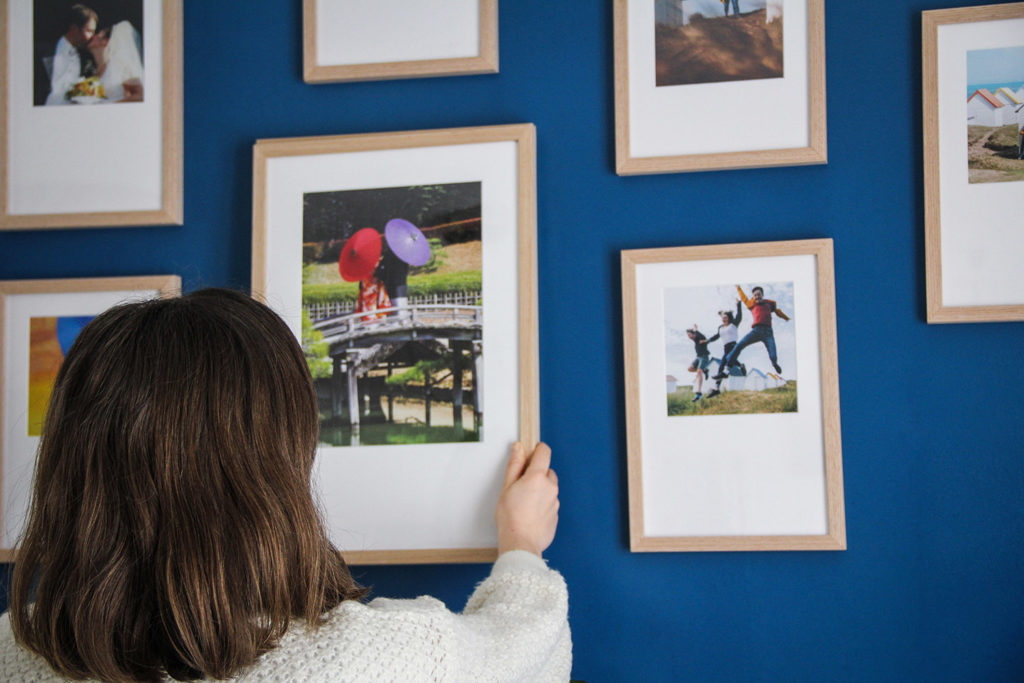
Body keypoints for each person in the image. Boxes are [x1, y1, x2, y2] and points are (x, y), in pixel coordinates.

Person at [0, 289, 570, 681]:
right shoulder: (380, 659)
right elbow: (521, 650)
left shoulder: (10, 655)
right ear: (280, 454)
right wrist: (521, 546)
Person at [713, 284, 790, 380]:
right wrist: (738, 288)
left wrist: (785, 318)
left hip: (768, 333)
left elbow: (777, 311)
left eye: (759, 294)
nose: (757, 296)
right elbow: (744, 298)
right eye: (755, 295)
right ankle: (726, 370)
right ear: (753, 297)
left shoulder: (769, 304)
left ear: (762, 295)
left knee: (773, 355)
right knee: (739, 345)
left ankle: (774, 363)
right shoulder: (751, 304)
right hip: (756, 331)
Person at [45, 4, 97, 105]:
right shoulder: (43, 52)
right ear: (74, 29)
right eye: (89, 31)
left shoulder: (87, 58)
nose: (92, 37)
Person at [85, 20, 145, 102]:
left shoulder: (120, 64)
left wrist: (111, 105)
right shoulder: (91, 69)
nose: (93, 36)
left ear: (105, 42)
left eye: (97, 35)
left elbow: (140, 95)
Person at [704, 300, 745, 398]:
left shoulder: (733, 324)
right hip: (726, 348)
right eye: (722, 318)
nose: (724, 319)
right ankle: (741, 366)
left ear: (729, 317)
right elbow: (716, 336)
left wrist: (739, 305)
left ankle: (716, 388)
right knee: (728, 361)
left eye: (725, 317)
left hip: (734, 346)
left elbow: (739, 316)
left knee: (723, 364)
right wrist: (708, 340)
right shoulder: (720, 328)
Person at [685, 325, 711, 402]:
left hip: (704, 357)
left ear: (694, 334)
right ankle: (704, 370)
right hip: (698, 357)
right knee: (690, 369)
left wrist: (696, 330)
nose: (689, 337)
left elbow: (706, 339)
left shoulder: (700, 338)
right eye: (688, 335)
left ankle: (699, 393)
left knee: (699, 372)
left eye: (690, 335)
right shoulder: (695, 340)